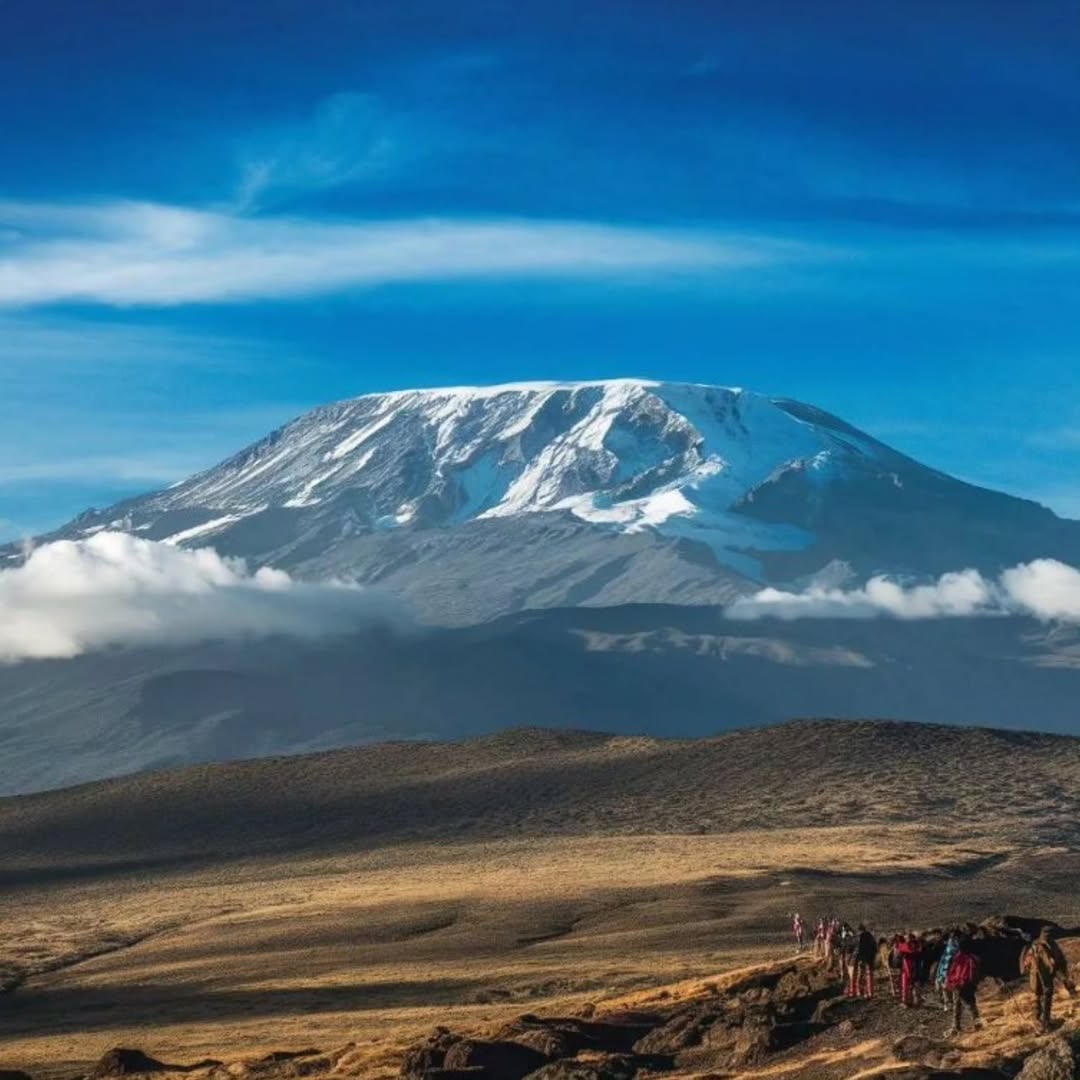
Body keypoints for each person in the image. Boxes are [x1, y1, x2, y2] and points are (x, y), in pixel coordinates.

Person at [1020, 926, 1077, 1032]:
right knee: (1043, 997)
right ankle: (1043, 1022)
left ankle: (1042, 1021)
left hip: (1040, 976)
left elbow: (1057, 961)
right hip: (1040, 976)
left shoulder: (1044, 944)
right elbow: (1051, 964)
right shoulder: (1041, 946)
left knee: (1041, 997)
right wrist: (1063, 978)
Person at [944, 936, 983, 1036]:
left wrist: (952, 982)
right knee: (965, 1004)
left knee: (966, 1005)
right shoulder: (972, 958)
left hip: (961, 985)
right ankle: (957, 1026)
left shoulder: (962, 958)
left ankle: (975, 1024)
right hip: (965, 985)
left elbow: (955, 972)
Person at [897, 933, 923, 1007]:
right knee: (910, 986)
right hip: (910, 970)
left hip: (910, 970)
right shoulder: (915, 948)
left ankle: (911, 1001)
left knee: (909, 986)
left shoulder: (906, 948)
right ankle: (912, 1001)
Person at [936, 931, 960, 1012]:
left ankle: (952, 1004)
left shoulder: (955, 945)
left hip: (952, 967)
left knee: (951, 987)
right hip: (945, 967)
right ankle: (948, 1004)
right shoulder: (948, 946)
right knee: (945, 987)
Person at [851, 924, 877, 998]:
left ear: (859, 930)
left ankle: (860, 991)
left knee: (861, 976)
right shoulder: (870, 936)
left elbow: (858, 949)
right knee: (869, 976)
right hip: (870, 959)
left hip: (862, 959)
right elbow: (875, 948)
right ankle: (870, 993)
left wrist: (855, 959)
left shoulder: (860, 937)